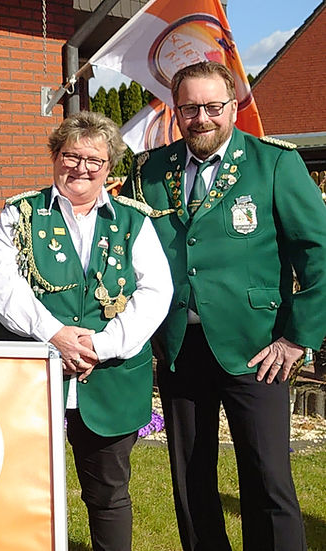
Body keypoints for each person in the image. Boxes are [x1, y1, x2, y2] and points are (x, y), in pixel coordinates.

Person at [122, 60, 326, 551]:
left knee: (268, 477)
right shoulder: (151, 170)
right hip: (179, 346)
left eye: (214, 106)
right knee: (191, 480)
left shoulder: (274, 162)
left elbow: (318, 251)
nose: (202, 118)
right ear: (176, 110)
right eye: (190, 108)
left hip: (256, 346)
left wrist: (298, 337)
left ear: (233, 107)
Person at [0, 111, 172, 551]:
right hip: (30, 379)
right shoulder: (20, 214)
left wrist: (102, 346)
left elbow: (156, 291)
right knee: (23, 489)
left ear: (109, 167)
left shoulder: (133, 220)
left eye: (94, 160)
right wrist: (53, 334)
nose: (80, 168)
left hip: (109, 379)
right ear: (54, 157)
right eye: (71, 156)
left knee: (108, 495)